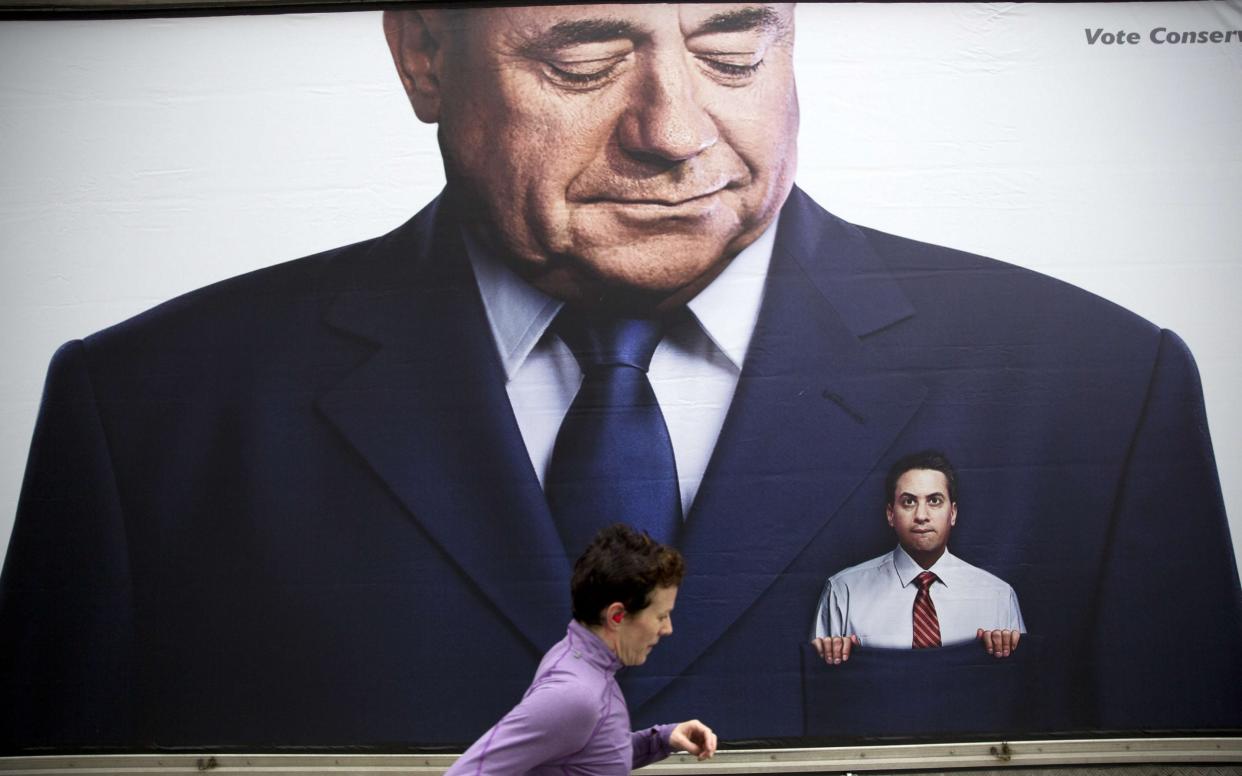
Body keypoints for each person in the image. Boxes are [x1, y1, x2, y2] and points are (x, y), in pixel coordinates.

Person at [2, 3, 1240, 752]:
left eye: (734, 39)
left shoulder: (1104, 394)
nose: (677, 126)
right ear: (422, 51)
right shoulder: (144, 420)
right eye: (588, 58)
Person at [443, 524, 716, 775]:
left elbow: (592, 756)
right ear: (617, 616)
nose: (667, 629)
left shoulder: (581, 661)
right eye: (661, 616)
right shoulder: (574, 695)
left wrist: (663, 739)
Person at [811, 451, 1024, 666]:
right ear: (890, 514)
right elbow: (821, 686)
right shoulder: (843, 592)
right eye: (909, 502)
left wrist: (1004, 653)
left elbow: (1021, 686)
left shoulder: (998, 597)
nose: (921, 515)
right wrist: (834, 659)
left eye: (934, 500)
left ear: (953, 513)